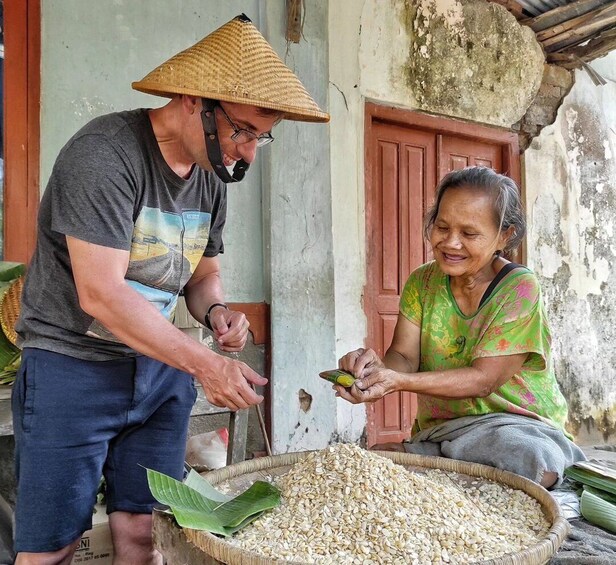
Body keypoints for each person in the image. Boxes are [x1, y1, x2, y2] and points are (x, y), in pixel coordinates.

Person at [12, 14, 328, 565]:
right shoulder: (105, 155)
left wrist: (219, 315)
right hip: (73, 365)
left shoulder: (211, 174)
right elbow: (102, 296)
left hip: (159, 371)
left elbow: (202, 276)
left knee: (148, 535)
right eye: (242, 130)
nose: (249, 152)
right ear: (192, 101)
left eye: (262, 135)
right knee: (52, 549)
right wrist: (205, 366)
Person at [336, 166, 585, 490]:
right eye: (442, 227)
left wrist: (397, 381)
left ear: (504, 236)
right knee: (376, 463)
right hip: (442, 431)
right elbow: (403, 356)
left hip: (518, 428)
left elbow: (484, 380)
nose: (451, 243)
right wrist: (374, 372)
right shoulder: (422, 282)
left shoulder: (519, 288)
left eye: (469, 234)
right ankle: (448, 465)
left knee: (531, 459)